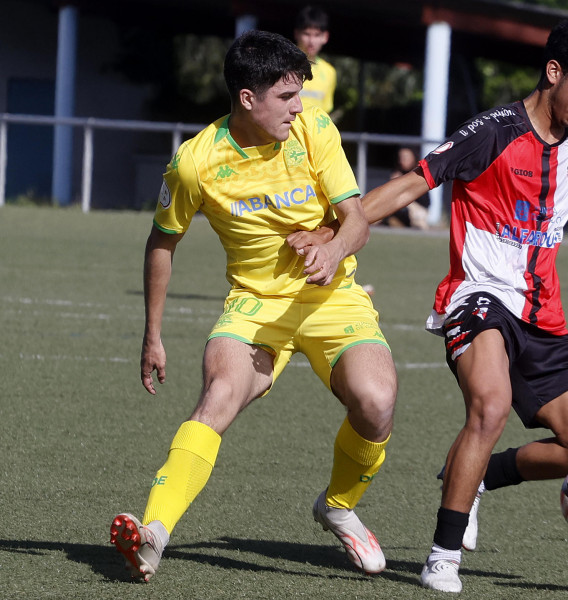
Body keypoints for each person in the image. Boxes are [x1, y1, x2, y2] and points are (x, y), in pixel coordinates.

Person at [296, 18, 568, 593]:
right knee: (490, 407)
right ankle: (442, 557)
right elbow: (410, 184)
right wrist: (338, 231)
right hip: (477, 299)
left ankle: (472, 478)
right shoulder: (493, 131)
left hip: (544, 315)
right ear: (555, 73)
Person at [109, 29, 396, 582]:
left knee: (377, 403)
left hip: (332, 296)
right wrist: (153, 334)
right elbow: (162, 242)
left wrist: (332, 249)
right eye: (286, 97)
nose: (298, 107)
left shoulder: (314, 129)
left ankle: (338, 505)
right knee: (219, 396)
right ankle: (152, 535)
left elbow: (356, 218)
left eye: (299, 95)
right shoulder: (195, 162)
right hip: (255, 307)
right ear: (248, 98)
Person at [294, 5, 336, 114]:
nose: (311, 41)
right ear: (297, 34)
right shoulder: (283, 66)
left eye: (317, 35)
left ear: (325, 37)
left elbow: (326, 112)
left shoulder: (329, 72)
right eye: (307, 34)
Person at [383, 146, 429, 229]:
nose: (402, 160)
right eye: (401, 157)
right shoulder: (396, 173)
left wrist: (404, 185)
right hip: (398, 208)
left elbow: (425, 202)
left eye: (405, 157)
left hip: (416, 210)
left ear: (413, 157)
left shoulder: (419, 173)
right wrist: (393, 184)